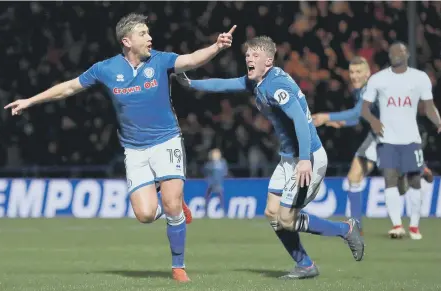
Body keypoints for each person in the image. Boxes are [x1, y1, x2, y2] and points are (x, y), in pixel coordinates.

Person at [4, 12, 237, 282]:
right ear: (127, 41)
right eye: (143, 34)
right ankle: (174, 207)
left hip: (166, 141)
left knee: (172, 205)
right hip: (135, 150)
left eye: (149, 33)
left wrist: (217, 46)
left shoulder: (161, 61)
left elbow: (192, 59)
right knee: (146, 215)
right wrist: (30, 101)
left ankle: (178, 267)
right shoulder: (105, 69)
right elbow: (69, 87)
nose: (150, 38)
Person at [175, 36, 364, 279]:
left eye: (254, 55)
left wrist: (305, 159)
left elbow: (299, 120)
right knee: (271, 213)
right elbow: (225, 84)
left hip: (308, 158)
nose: (248, 59)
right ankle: (305, 264)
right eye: (247, 55)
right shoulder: (258, 80)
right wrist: (191, 84)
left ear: (269, 60)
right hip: (289, 158)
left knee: (286, 219)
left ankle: (346, 229)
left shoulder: (276, 86)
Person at [312, 57, 434, 235]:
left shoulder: (372, 87)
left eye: (359, 72)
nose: (354, 76)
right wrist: (341, 123)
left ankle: (416, 170)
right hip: (377, 135)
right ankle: (356, 228)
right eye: (352, 72)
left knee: (399, 187)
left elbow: (356, 112)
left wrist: (327, 117)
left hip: (394, 137)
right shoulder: (359, 91)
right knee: (354, 177)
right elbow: (357, 117)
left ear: (368, 73)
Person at [361, 42, 441, 240]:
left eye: (401, 51)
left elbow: (429, 106)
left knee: (414, 180)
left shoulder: (420, 78)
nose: (396, 54)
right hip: (387, 139)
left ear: (408, 55)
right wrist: (373, 121)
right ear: (389, 56)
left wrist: (439, 121)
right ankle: (397, 225)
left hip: (411, 139)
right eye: (393, 51)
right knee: (389, 177)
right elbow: (364, 109)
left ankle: (414, 225)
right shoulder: (378, 79)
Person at [203, 148, 228, 216]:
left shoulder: (222, 162)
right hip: (211, 182)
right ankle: (205, 211)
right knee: (207, 196)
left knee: (220, 196)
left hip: (218, 182)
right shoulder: (209, 164)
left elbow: (225, 172)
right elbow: (205, 171)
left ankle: (223, 211)